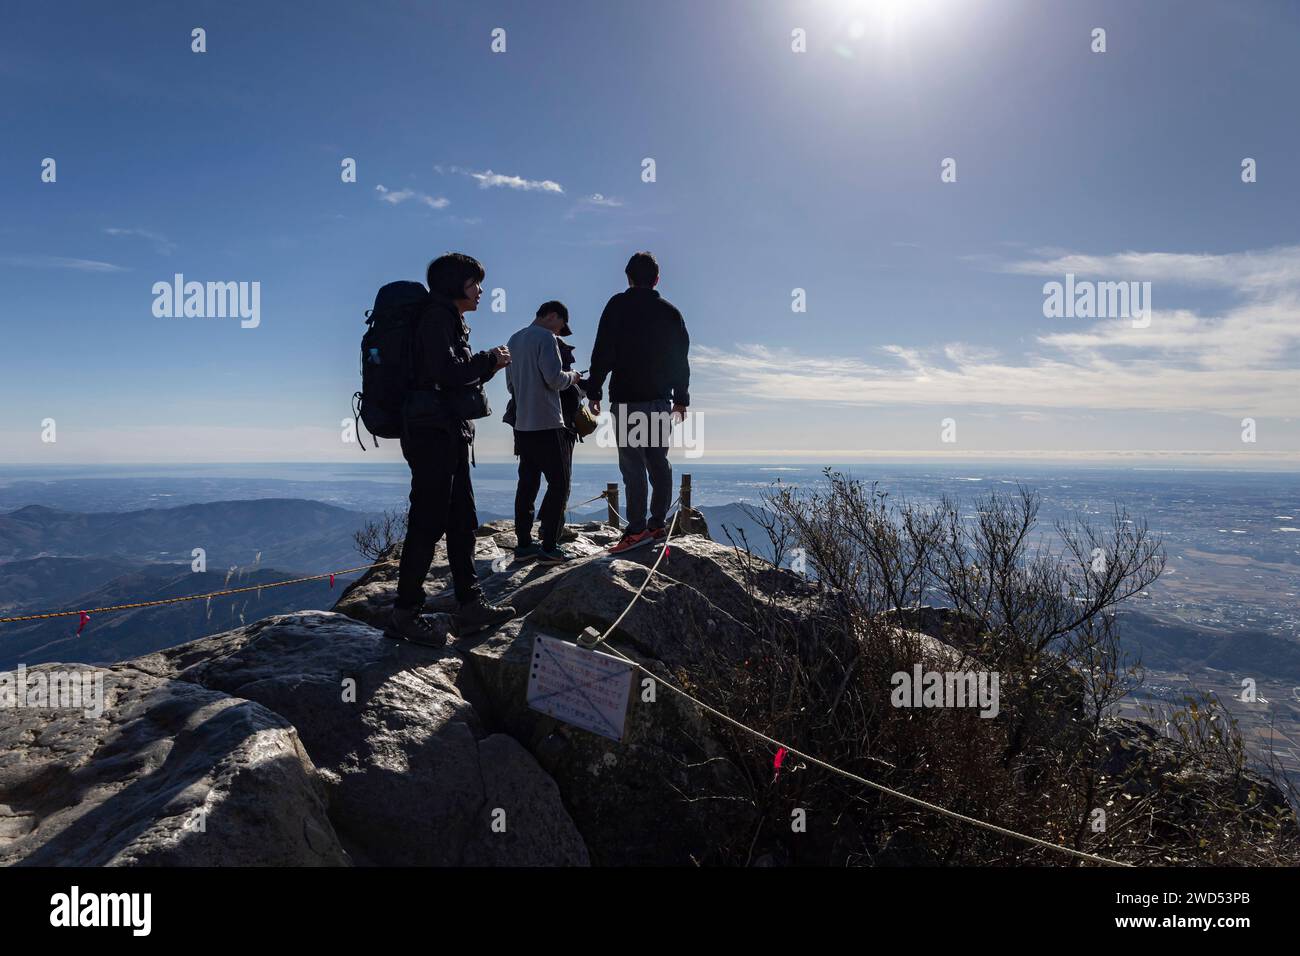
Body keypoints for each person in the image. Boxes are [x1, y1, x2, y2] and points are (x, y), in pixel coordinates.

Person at [385, 253, 517, 645]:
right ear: (457, 284)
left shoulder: (449, 319)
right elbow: (446, 373)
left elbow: (453, 377)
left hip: (447, 431)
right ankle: (406, 612)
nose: (481, 291)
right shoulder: (436, 317)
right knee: (428, 519)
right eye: (475, 283)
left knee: (462, 519)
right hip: (431, 433)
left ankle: (470, 602)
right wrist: (489, 359)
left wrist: (487, 364)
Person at [584, 251, 690, 554]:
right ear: (657, 279)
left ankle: (636, 531)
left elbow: (603, 349)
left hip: (628, 398)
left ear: (628, 277)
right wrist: (681, 399)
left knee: (632, 465)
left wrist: (595, 391)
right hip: (659, 400)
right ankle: (657, 525)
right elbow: (680, 360)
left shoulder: (618, 305)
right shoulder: (671, 312)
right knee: (658, 461)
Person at [506, 301, 584, 565]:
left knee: (527, 484)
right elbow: (554, 379)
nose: (561, 332)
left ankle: (524, 543)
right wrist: (573, 377)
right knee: (559, 484)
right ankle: (550, 547)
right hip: (548, 423)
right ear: (553, 316)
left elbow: (510, 385)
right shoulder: (546, 338)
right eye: (561, 326)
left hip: (522, 425)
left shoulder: (514, 339)